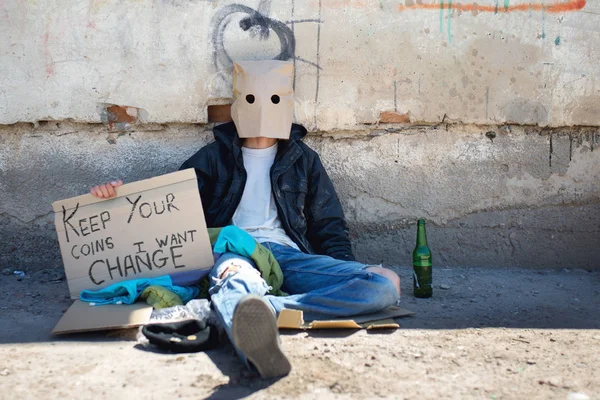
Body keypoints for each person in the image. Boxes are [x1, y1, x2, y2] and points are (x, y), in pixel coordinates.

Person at [90, 60, 400, 378]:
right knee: (235, 280)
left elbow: (328, 224)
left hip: (286, 256)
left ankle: (253, 311)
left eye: (275, 100)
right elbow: (165, 211)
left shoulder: (303, 160)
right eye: (252, 99)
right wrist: (116, 202)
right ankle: (249, 327)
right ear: (239, 103)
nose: (264, 108)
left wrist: (344, 272)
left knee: (385, 284)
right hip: (236, 251)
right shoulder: (212, 159)